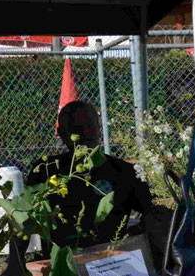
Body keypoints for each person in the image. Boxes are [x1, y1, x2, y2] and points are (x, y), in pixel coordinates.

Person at [24, 99, 155, 249]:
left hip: (112, 261)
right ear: (61, 133)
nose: (86, 133)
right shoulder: (45, 170)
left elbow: (153, 212)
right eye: (77, 128)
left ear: (100, 128)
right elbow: (24, 220)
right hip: (60, 261)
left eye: (91, 126)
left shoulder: (123, 171)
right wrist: (15, 264)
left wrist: (135, 238)